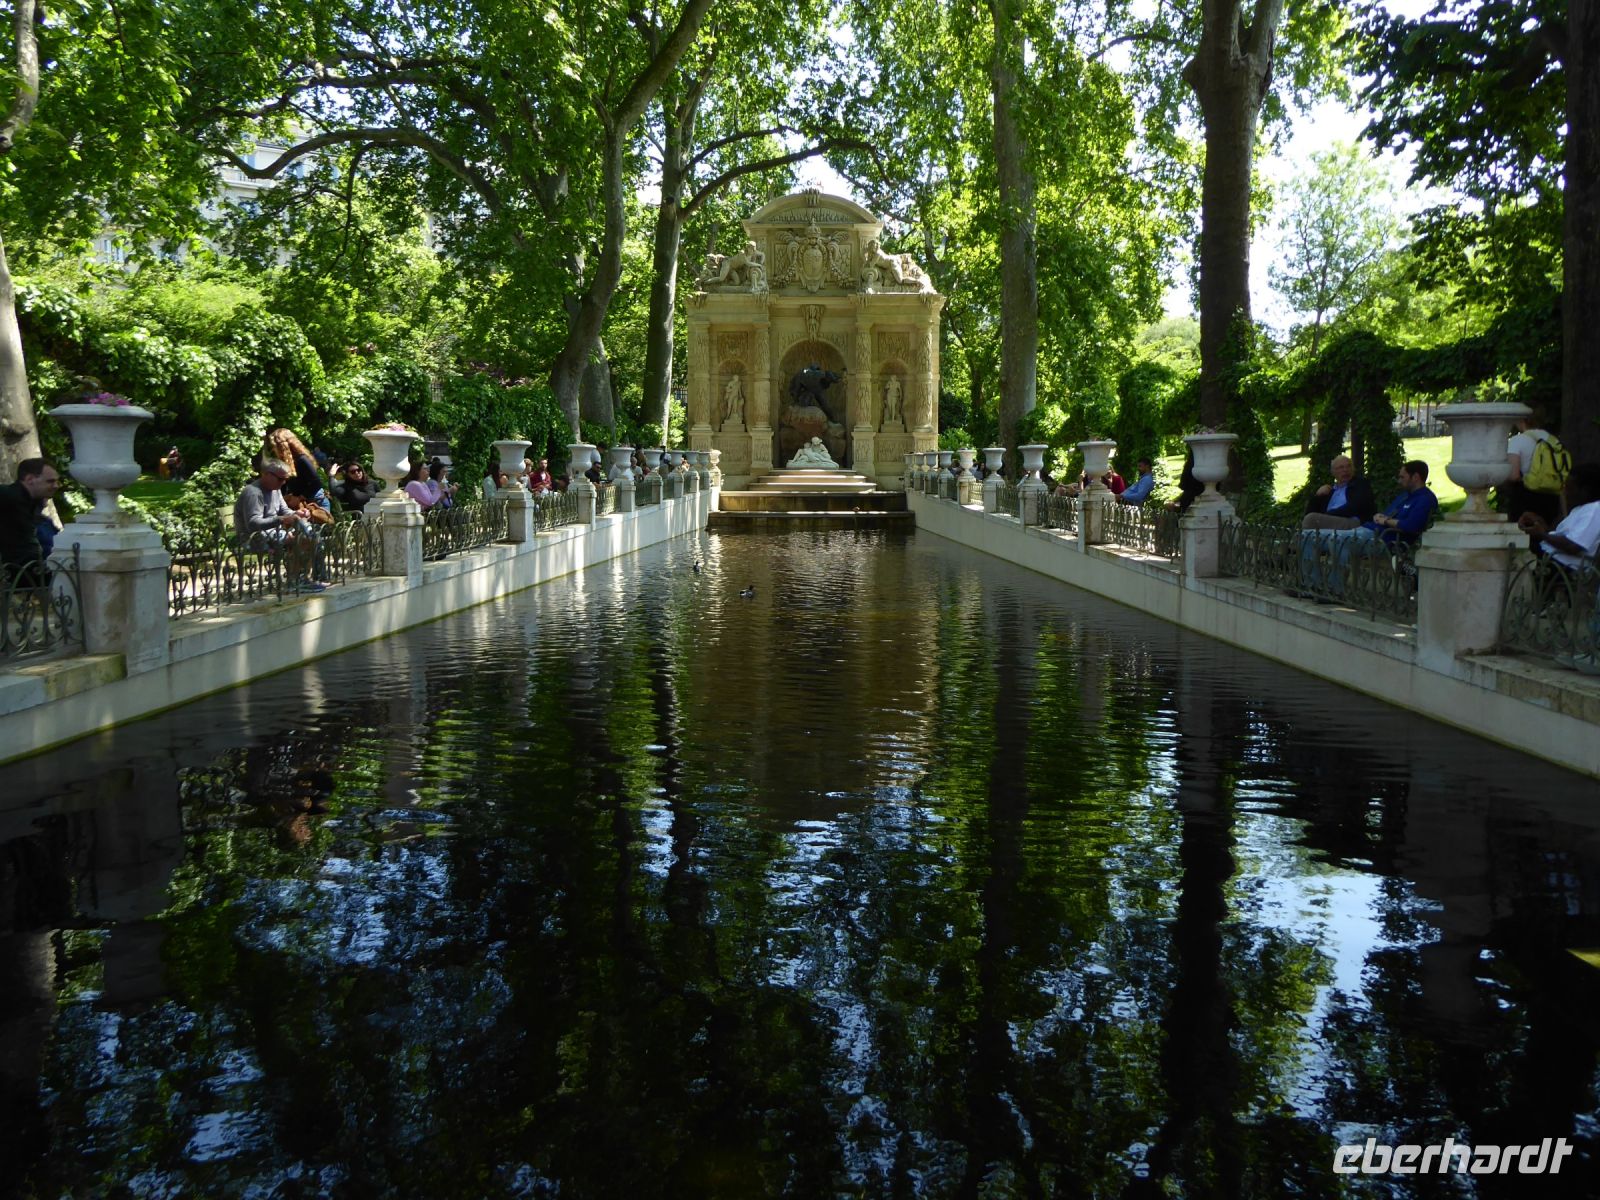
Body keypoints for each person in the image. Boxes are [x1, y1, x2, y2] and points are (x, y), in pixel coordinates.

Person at [1302, 460, 1437, 596]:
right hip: (1366, 531)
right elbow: (1385, 515)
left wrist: (1387, 521)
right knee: (1307, 536)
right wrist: (1381, 517)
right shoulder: (1404, 496)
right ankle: (1311, 586)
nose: (1399, 480)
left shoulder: (1425, 499)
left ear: (1415, 477)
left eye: (1402, 477)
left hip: (1383, 540)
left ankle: (1334, 591)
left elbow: (1412, 526)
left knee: (1337, 541)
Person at [234, 459, 323, 591]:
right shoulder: (253, 493)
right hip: (254, 537)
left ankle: (302, 577)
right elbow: (253, 524)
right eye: (280, 479)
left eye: (285, 479)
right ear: (266, 474)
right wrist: (282, 520)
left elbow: (285, 511)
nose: (283, 483)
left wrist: (298, 513)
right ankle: (296, 580)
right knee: (304, 541)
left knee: (311, 536)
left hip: (274, 532)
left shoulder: (275, 489)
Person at [1517, 463, 1600, 572]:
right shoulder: (1581, 509)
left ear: (1585, 490)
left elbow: (1573, 546)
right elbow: (1564, 537)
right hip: (1551, 559)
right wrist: (1541, 525)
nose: (1565, 493)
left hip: (1560, 567)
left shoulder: (1594, 510)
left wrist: (1542, 534)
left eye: (1569, 488)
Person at [1500, 412, 1566, 536]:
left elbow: (1514, 476)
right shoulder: (1552, 439)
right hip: (1551, 494)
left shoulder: (1517, 441)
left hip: (1527, 495)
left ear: (1521, 420)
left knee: (1524, 538)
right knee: (1545, 534)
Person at [1, 458, 61, 585]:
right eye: (50, 481)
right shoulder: (10, 497)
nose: (56, 486)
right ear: (29, 479)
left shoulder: (32, 503)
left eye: (57, 481)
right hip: (15, 571)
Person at [1302, 454, 1377, 531]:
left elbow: (1354, 507)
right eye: (1341, 467)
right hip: (1330, 522)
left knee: (1311, 519)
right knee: (1310, 519)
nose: (1345, 470)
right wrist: (1317, 496)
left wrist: (1327, 515)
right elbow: (1309, 512)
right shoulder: (1329, 490)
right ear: (1333, 472)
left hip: (1352, 521)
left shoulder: (1360, 484)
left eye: (1348, 466)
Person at [265, 428, 329, 512]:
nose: (274, 450)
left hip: (316, 503)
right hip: (301, 503)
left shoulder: (301, 459)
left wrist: (299, 497)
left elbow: (316, 483)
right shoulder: (287, 463)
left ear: (282, 446)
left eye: (275, 446)